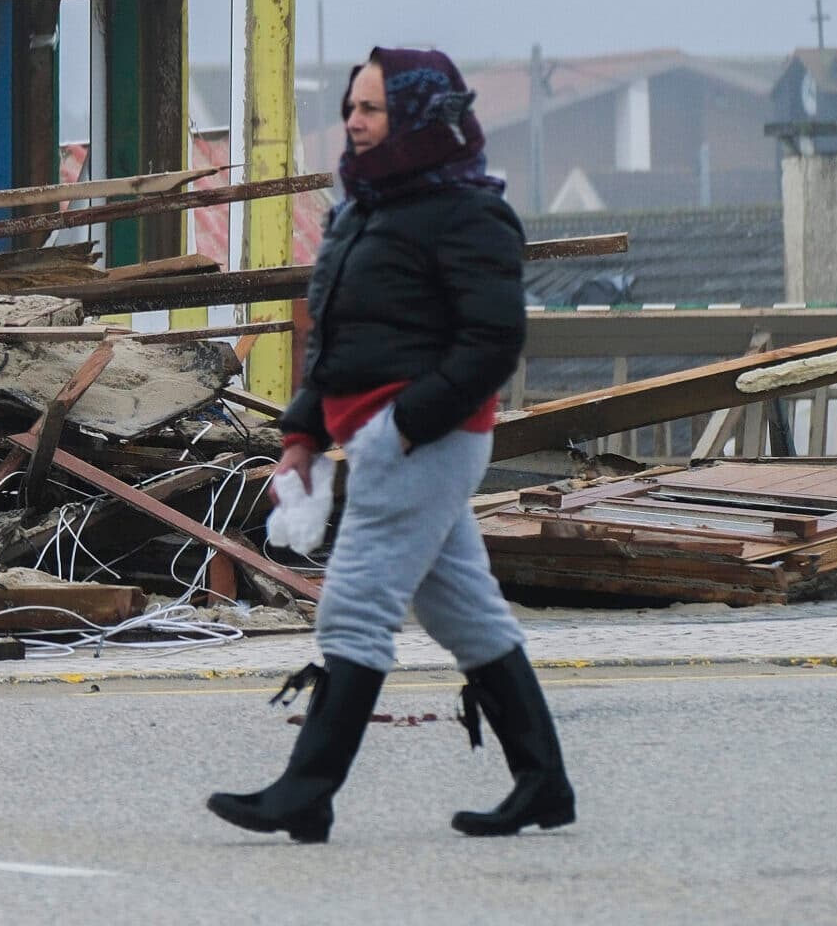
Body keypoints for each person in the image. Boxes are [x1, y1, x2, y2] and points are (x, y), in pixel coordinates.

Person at [207, 47, 575, 844]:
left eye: (371, 108)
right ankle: (544, 784)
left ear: (416, 116)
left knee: (354, 609)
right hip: (378, 436)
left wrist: (400, 427)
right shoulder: (365, 206)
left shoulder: (468, 211)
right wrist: (301, 432)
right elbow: (336, 340)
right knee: (468, 614)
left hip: (422, 442)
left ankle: (306, 792)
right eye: (351, 107)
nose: (354, 120)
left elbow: (492, 341)